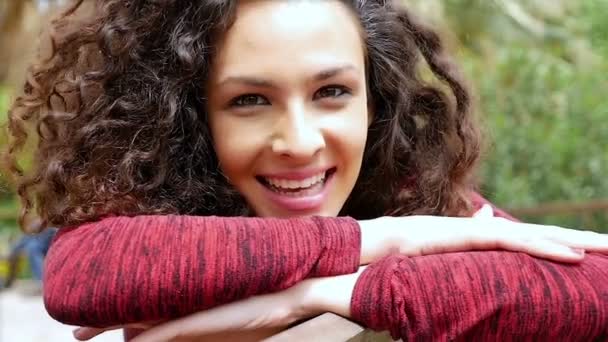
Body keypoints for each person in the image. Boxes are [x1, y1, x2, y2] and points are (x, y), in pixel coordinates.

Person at [3, 0, 608, 341]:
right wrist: (381, 241)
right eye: (249, 100)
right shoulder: (163, 230)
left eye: (332, 92)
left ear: (376, 100)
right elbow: (81, 273)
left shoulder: (411, 199)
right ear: (190, 116)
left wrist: (326, 294)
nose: (298, 142)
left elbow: (596, 285)